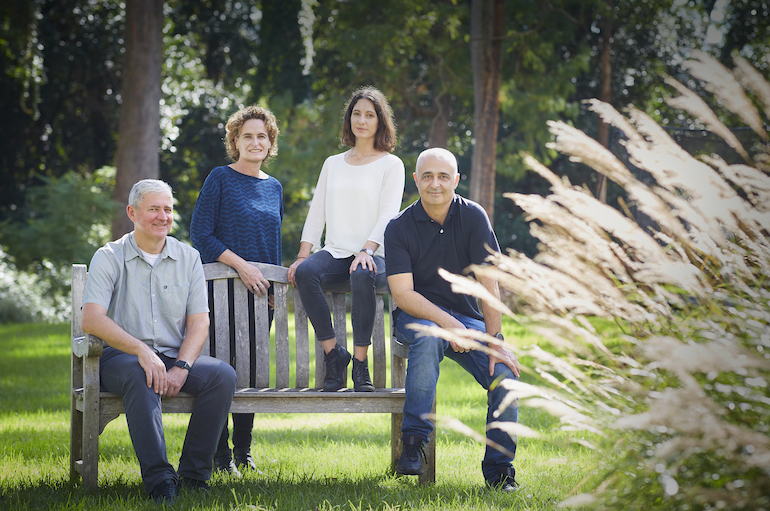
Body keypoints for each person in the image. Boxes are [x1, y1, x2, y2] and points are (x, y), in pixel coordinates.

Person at [80, 179, 237, 505]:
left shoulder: (188, 257)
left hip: (170, 356)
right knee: (141, 372)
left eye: (167, 209)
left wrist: (182, 366)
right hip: (120, 358)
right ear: (132, 212)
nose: (162, 216)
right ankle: (160, 480)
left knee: (222, 375)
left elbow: (199, 322)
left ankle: (194, 476)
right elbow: (92, 319)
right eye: (154, 209)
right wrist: (140, 350)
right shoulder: (109, 256)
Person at [384, 148, 521, 491]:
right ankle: (413, 443)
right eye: (427, 176)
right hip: (417, 316)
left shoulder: (473, 217)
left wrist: (495, 342)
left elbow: (489, 284)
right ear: (416, 179)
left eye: (443, 176)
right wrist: (449, 324)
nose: (435, 184)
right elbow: (403, 295)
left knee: (504, 377)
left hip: (466, 319)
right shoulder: (398, 227)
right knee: (430, 335)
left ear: (456, 180)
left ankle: (500, 471)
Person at [287, 87, 405, 392]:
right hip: (337, 251)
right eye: (356, 114)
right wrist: (302, 255)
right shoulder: (333, 163)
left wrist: (367, 249)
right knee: (306, 272)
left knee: (363, 272)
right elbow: (317, 211)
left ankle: (360, 364)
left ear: (380, 121)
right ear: (349, 118)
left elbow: (389, 214)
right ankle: (334, 355)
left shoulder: (391, 164)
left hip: (375, 254)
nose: (361, 121)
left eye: (369, 115)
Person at [190, 105, 283, 476]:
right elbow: (201, 235)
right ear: (235, 141)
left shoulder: (274, 187)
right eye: (247, 136)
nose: (255, 142)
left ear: (270, 142)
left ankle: (243, 452)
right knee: (221, 373)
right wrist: (241, 266)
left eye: (262, 136)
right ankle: (220, 455)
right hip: (221, 293)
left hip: (260, 297)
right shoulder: (220, 178)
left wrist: (273, 288)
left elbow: (272, 242)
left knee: (251, 373)